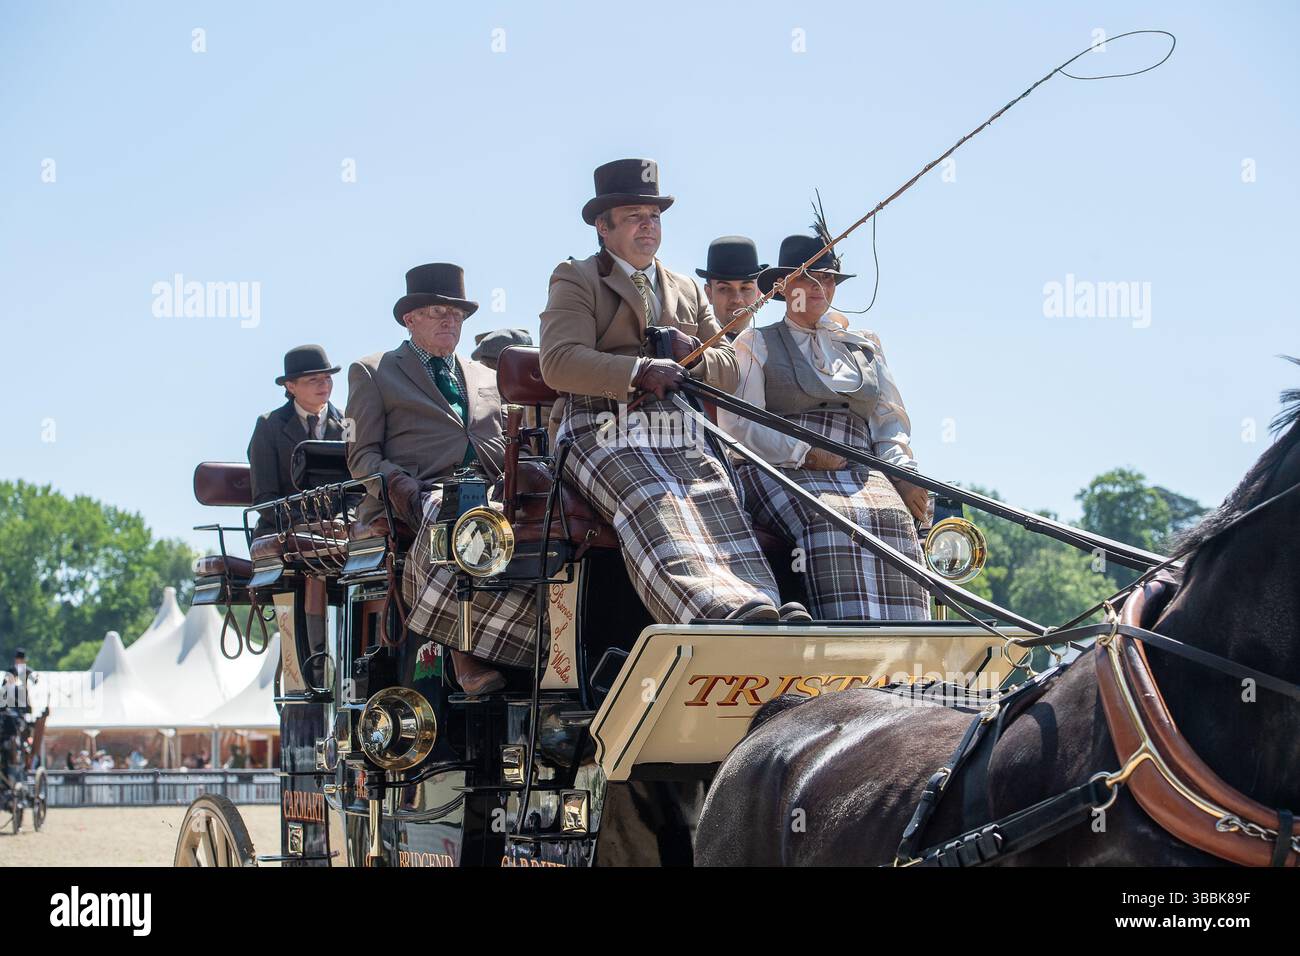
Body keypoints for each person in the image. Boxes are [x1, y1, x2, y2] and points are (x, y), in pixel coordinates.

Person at [540, 159, 804, 625]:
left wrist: (694, 357)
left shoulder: (685, 288)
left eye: (655, 216)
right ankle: (712, 619)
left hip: (677, 428)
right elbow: (558, 362)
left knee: (718, 494)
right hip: (598, 427)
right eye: (635, 216)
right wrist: (640, 369)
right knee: (652, 499)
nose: (648, 226)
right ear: (603, 227)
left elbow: (727, 367)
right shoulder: (576, 278)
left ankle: (764, 610)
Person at [719, 231, 931, 621]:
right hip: (779, 465)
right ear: (783, 285)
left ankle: (907, 652)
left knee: (895, 518)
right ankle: (844, 646)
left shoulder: (863, 345)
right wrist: (806, 452)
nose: (819, 287)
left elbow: (889, 421)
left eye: (828, 278)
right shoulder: (755, 343)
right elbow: (740, 426)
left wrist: (902, 472)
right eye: (806, 277)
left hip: (862, 469)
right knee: (829, 518)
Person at [346, 263, 536, 694]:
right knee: (453, 512)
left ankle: (542, 646)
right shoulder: (373, 372)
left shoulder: (487, 375)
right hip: (418, 494)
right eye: (437, 311)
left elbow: (511, 442)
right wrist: (400, 486)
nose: (450, 320)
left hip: (489, 489)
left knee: (553, 514)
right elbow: (361, 456)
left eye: (457, 313)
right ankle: (462, 650)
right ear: (409, 319)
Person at [247, 345, 345, 536]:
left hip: (342, 530)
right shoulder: (268, 426)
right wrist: (307, 526)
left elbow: (358, 487)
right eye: (313, 379)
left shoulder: (349, 422)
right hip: (284, 531)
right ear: (291, 386)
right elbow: (265, 498)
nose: (324, 385)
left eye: (327, 378)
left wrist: (342, 520)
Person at [696, 236, 766, 339]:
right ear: (709, 294)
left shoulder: (769, 348)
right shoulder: (691, 348)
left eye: (745, 288)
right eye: (724, 289)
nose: (737, 299)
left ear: (759, 293)